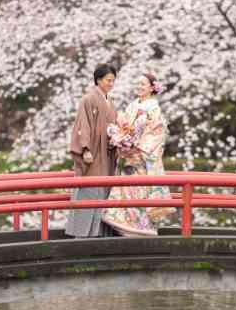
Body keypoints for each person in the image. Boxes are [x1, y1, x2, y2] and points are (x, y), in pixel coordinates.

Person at [102, 73, 175, 236]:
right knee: (126, 190)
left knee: (140, 191)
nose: (139, 86)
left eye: (143, 84)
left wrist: (137, 148)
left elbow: (156, 133)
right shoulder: (132, 105)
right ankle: (122, 224)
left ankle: (141, 228)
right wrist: (121, 140)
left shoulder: (154, 108)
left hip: (141, 157)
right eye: (137, 83)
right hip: (128, 154)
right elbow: (124, 125)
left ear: (151, 87)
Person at [65, 64, 117, 238]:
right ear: (99, 80)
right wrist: (85, 148)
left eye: (113, 80)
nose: (111, 83)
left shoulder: (109, 100)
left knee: (102, 191)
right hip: (93, 153)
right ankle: (80, 233)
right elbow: (83, 125)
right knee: (89, 190)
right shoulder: (88, 99)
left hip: (106, 153)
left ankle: (97, 233)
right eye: (108, 80)